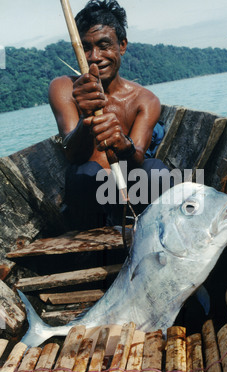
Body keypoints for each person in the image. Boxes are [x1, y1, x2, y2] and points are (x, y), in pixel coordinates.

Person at [49, 0, 170, 230]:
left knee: (155, 170)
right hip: (89, 202)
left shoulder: (145, 99)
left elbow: (138, 159)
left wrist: (124, 145)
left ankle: (154, 237)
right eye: (86, 48)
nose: (95, 56)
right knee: (85, 172)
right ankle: (90, 252)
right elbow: (73, 154)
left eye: (104, 45)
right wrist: (87, 120)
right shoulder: (64, 88)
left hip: (131, 193)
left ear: (122, 46)